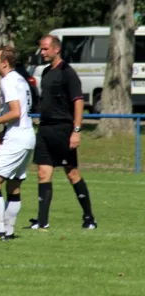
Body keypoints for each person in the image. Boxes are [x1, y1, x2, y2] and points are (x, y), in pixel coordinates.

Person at [27, 35, 97, 230]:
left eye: (45, 49)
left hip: (63, 130)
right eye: (41, 49)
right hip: (45, 129)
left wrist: (76, 130)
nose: (42, 52)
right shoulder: (47, 72)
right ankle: (42, 221)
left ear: (56, 49)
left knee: (72, 173)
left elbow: (78, 101)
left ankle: (89, 217)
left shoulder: (68, 73)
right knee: (43, 173)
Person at [0, 46, 36, 241]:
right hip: (26, 136)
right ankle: (8, 232)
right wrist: (2, 135)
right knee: (13, 186)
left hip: (17, 138)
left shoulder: (8, 81)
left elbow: (15, 112)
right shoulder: (21, 79)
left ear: (4, 62)